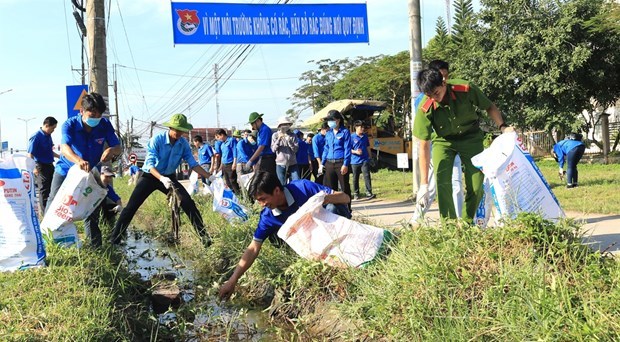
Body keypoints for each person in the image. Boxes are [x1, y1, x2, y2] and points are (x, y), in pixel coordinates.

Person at [218, 170, 351, 300]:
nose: (262, 204)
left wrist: (321, 200)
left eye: (263, 199)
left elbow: (345, 198)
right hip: (308, 240)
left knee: (333, 208)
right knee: (274, 236)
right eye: (258, 201)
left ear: (276, 190)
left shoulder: (303, 188)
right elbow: (253, 247)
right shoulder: (268, 216)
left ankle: (344, 253)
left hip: (332, 232)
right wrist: (232, 280)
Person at [413, 68, 514, 222]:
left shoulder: (465, 89)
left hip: (471, 138)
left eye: (437, 93)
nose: (435, 99)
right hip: (443, 141)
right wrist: (424, 184)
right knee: (443, 182)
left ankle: (467, 223)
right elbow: (424, 146)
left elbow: (489, 106)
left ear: (444, 82)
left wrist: (502, 126)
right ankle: (450, 227)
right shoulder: (425, 106)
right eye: (430, 96)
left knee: (476, 184)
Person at [110, 113, 213, 246]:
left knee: (188, 204)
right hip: (150, 176)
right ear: (170, 128)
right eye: (176, 130)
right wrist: (161, 178)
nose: (179, 133)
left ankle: (205, 240)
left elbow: (193, 164)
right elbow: (149, 164)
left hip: (169, 178)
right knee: (131, 207)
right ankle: (115, 241)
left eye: (181, 130)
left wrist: (209, 176)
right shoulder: (157, 140)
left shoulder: (183, 144)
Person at [45, 92, 122, 247]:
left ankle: (96, 247)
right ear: (82, 111)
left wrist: (112, 151)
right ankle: (47, 239)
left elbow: (118, 147)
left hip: (90, 171)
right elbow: (65, 148)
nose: (96, 118)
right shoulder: (70, 125)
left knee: (90, 207)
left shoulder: (104, 125)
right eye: (92, 114)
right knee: (54, 201)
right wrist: (78, 160)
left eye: (99, 115)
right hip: (67, 169)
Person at [410, 60, 464, 223]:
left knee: (457, 185)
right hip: (435, 150)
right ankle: (415, 221)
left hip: (454, 146)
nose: (445, 81)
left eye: (447, 77)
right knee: (430, 188)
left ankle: (459, 223)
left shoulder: (451, 92)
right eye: (442, 77)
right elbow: (424, 136)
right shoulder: (423, 100)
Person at [27, 116, 60, 212]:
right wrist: (34, 168)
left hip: (49, 164)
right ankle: (45, 212)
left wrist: (60, 156)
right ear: (46, 125)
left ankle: (52, 210)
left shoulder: (48, 136)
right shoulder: (36, 136)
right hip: (40, 166)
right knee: (44, 190)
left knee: (53, 187)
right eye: (53, 128)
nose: (53, 130)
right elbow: (30, 154)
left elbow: (49, 151)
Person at [320, 110, 352, 210]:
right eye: (328, 120)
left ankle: (347, 208)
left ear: (338, 120)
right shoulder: (328, 133)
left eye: (332, 120)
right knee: (330, 189)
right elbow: (326, 148)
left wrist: (345, 164)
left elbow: (347, 148)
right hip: (329, 163)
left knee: (344, 187)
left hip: (341, 162)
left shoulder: (345, 132)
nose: (330, 122)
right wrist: (322, 163)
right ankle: (333, 209)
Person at [350, 120, 375, 200]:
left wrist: (370, 157)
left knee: (367, 176)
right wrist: (356, 152)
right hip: (355, 161)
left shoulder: (365, 136)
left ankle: (369, 192)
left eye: (363, 127)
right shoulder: (351, 137)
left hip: (364, 159)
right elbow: (348, 149)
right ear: (356, 127)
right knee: (355, 177)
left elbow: (368, 147)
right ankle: (356, 193)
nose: (363, 128)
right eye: (361, 127)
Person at [272, 116, 299, 185]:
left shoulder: (293, 135)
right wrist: (279, 139)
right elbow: (273, 149)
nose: (285, 126)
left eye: (287, 124)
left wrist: (289, 140)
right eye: (283, 124)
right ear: (279, 126)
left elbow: (296, 150)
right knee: (282, 184)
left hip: (292, 163)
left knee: (297, 181)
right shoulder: (275, 135)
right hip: (280, 164)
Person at [214, 128, 241, 195]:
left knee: (232, 180)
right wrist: (220, 166)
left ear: (222, 135)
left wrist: (234, 162)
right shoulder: (222, 144)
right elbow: (223, 156)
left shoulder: (231, 140)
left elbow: (235, 151)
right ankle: (233, 195)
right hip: (224, 165)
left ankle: (239, 195)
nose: (218, 138)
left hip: (231, 163)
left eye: (218, 136)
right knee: (228, 182)